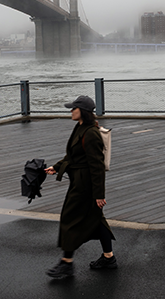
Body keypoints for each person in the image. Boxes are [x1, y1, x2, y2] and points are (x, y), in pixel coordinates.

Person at [44, 95, 116, 279]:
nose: (70, 111)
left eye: (73, 108)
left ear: (81, 111)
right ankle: (109, 258)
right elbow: (73, 155)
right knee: (96, 219)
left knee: (70, 219)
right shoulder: (80, 128)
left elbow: (97, 166)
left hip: (85, 186)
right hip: (80, 181)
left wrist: (99, 195)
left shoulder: (90, 133)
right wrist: (57, 167)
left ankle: (67, 263)